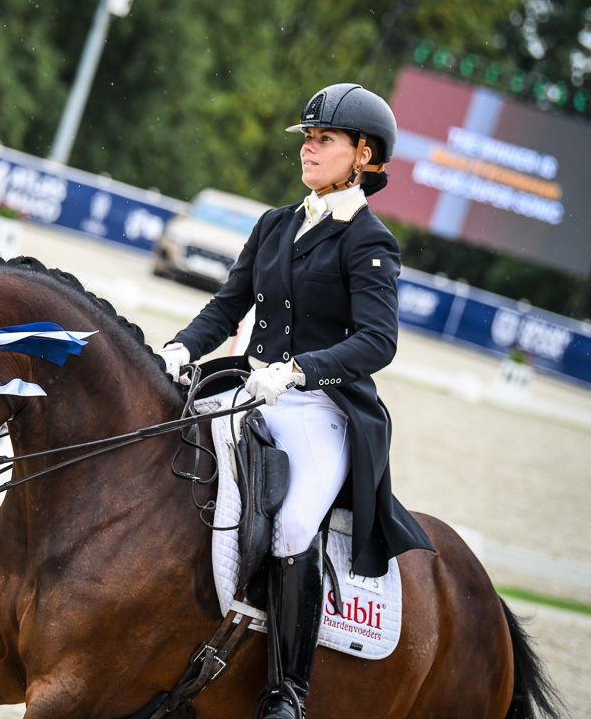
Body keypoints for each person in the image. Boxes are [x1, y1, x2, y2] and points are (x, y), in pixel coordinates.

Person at [157, 84, 435, 719]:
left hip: (320, 410)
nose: (309, 148)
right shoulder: (276, 224)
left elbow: (378, 341)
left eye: (324, 139)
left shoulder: (369, 241)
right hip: (249, 391)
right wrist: (180, 348)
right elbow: (228, 305)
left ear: (364, 155)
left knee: (293, 526)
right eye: (307, 138)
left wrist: (300, 371)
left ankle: (288, 691)